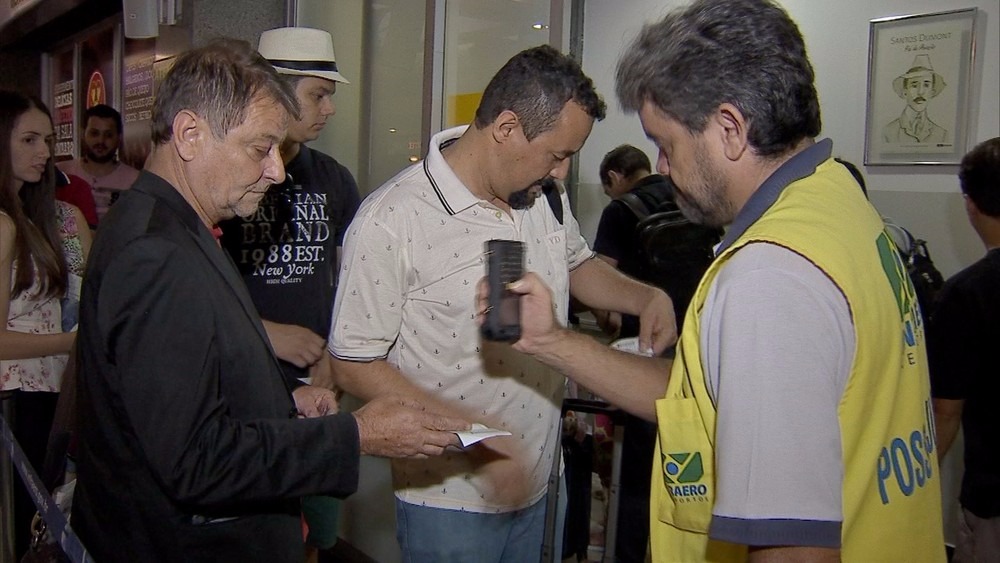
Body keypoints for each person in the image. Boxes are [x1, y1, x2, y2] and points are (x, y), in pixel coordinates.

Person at [489, 1, 946, 561]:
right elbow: (699, 401)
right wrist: (552, 341)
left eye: (668, 142)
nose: (659, 165)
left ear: (730, 129)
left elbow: (793, 547)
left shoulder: (769, 277)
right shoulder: (837, 202)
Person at [71, 39, 468, 563]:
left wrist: (281, 405)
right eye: (260, 150)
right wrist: (356, 435)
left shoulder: (173, 226)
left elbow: (179, 392)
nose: (277, 172)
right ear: (190, 134)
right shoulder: (156, 254)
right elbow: (196, 461)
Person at [328, 44, 675, 561]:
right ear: (508, 128)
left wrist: (645, 296)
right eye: (556, 155)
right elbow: (353, 363)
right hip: (450, 500)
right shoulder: (391, 219)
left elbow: (577, 264)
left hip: (540, 480)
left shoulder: (541, 198)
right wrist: (479, 444)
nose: (561, 173)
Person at [219, 26, 361, 559]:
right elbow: (197, 293)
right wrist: (264, 333)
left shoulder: (333, 180)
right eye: (317, 95)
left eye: (330, 97)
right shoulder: (228, 179)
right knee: (260, 532)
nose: (327, 109)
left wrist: (338, 361)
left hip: (320, 387)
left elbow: (354, 281)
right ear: (275, 92)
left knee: (315, 535)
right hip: (245, 395)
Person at [0, 89, 92, 560]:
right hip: (17, 402)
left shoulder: (38, 219)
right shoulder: (4, 225)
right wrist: (71, 341)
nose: (43, 153)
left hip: (43, 396)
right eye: (29, 140)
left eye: (48, 140)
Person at [928, 137, 1000, 562]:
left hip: (993, 496)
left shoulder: (966, 294)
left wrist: (912, 484)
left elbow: (946, 412)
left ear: (970, 204)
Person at [56, 103, 140, 220]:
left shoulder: (135, 180)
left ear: (119, 138)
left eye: (108, 135)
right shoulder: (61, 173)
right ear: (83, 134)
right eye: (94, 133)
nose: (101, 140)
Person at [882, 54, 948, 144]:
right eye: (914, 85)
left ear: (932, 92)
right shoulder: (888, 132)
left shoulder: (941, 134)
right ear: (905, 92)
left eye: (926, 85)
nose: (920, 92)